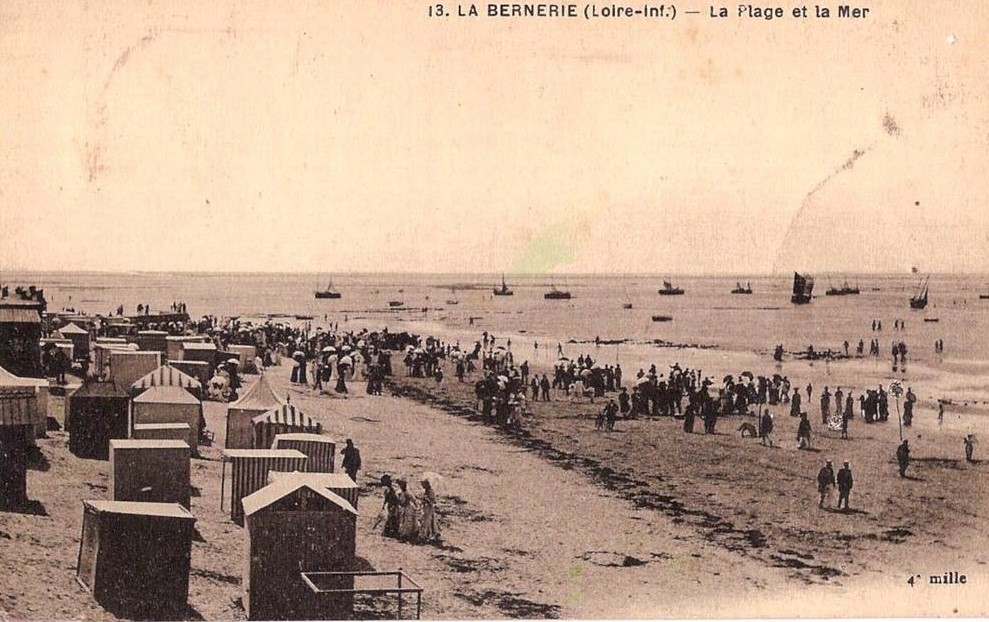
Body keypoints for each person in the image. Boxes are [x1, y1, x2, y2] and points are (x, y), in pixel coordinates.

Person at [418, 479, 441, 543]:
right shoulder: (424, 491)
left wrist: (427, 499)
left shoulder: (430, 491)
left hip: (429, 508)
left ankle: (426, 535)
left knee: (427, 521)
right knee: (424, 521)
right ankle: (425, 535)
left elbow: (433, 501)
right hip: (424, 507)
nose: (422, 485)